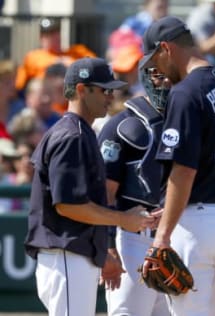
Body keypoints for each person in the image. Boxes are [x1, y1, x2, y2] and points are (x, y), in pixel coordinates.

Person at [140, 16, 215, 315]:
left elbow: (183, 170)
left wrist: (163, 237)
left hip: (197, 223)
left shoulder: (185, 92)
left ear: (166, 48)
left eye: (155, 59)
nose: (156, 69)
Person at [24, 57, 155, 316]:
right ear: (82, 90)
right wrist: (122, 219)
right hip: (65, 255)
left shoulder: (80, 132)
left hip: (72, 254)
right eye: (104, 89)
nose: (111, 95)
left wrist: (101, 251)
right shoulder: (72, 136)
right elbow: (68, 205)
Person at [98, 65, 170, 316]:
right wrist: (107, 246)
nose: (164, 82)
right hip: (133, 239)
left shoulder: (187, 121)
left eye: (168, 76)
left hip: (175, 238)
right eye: (158, 76)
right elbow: (105, 194)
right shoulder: (122, 126)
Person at [15, 17, 96, 92]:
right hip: (47, 101)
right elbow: (19, 85)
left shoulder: (77, 52)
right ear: (41, 37)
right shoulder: (34, 57)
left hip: (74, 100)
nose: (54, 37)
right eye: (49, 34)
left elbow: (97, 68)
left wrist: (72, 64)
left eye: (56, 32)